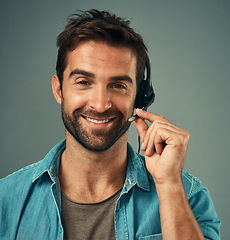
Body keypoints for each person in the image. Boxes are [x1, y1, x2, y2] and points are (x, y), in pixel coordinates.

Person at [0, 9, 220, 240]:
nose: (100, 104)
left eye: (118, 85)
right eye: (83, 82)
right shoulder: (6, 200)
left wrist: (168, 183)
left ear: (140, 96)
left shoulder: (188, 196)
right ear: (59, 89)